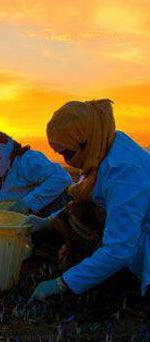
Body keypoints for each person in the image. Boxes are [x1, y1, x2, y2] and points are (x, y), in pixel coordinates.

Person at [26, 99, 150, 301]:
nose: (67, 161)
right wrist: (46, 222)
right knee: (80, 211)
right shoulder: (103, 145)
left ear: (85, 141)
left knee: (105, 290)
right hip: (132, 234)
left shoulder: (124, 173)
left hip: (140, 245)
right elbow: (84, 201)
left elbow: (119, 249)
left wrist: (62, 284)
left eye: (67, 153)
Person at [0, 130, 73, 216]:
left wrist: (27, 203)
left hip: (49, 216)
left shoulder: (28, 160)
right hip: (17, 219)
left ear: (7, 153)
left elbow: (62, 178)